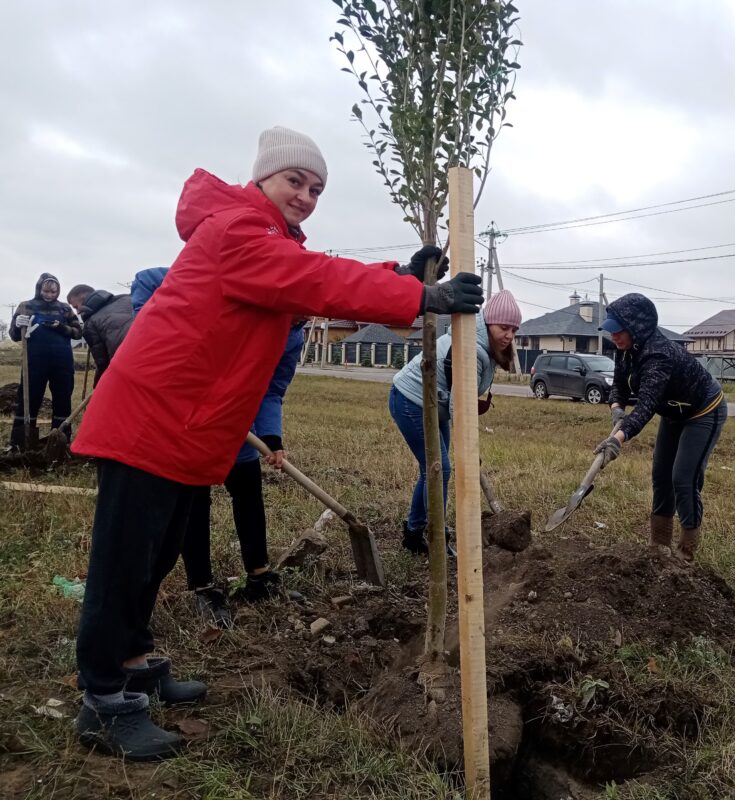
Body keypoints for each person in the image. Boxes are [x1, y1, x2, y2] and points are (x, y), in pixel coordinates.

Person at [70, 125, 483, 761]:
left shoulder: (265, 239)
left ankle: (134, 665)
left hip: (185, 423)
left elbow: (305, 282)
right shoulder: (237, 229)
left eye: (317, 188)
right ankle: (103, 700)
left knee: (153, 559)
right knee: (124, 563)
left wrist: (396, 275)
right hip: (150, 419)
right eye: (296, 181)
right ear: (263, 177)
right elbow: (310, 279)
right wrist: (419, 296)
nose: (307, 196)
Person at [129, 266, 303, 627]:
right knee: (195, 503)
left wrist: (271, 438)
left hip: (238, 426)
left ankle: (259, 576)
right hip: (191, 421)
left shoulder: (293, 336)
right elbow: (147, 280)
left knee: (248, 493)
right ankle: (202, 587)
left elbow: (271, 389)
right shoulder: (233, 291)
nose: (297, 320)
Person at [597, 293, 727, 562]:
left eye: (618, 331)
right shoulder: (625, 351)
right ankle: (658, 547)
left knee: (683, 477)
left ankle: (685, 553)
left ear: (636, 328)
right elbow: (620, 385)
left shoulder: (658, 355)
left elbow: (645, 407)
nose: (614, 336)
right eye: (611, 331)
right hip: (673, 413)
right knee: (660, 475)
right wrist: (616, 408)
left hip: (703, 410)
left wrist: (617, 440)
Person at [390, 289, 521, 554]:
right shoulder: (471, 349)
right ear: (488, 323)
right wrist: (469, 448)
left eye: (513, 330)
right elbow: (459, 406)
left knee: (433, 470)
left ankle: (413, 534)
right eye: (503, 327)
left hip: (435, 404)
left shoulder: (484, 346)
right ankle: (438, 536)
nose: (509, 335)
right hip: (411, 401)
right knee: (440, 470)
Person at [8, 273, 82, 450]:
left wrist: (62, 327)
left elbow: (78, 333)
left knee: (63, 400)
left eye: (53, 292)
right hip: (34, 361)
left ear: (58, 291)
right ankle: (20, 442)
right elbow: (14, 336)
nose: (50, 295)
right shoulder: (26, 307)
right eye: (46, 291)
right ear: (39, 289)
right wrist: (18, 324)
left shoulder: (65, 309)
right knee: (29, 399)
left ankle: (59, 441)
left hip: (62, 362)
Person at [66, 284, 134, 383]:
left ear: (83, 297)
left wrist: (98, 386)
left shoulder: (91, 323)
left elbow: (103, 363)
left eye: (76, 307)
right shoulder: (128, 298)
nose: (78, 312)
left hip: (128, 370)